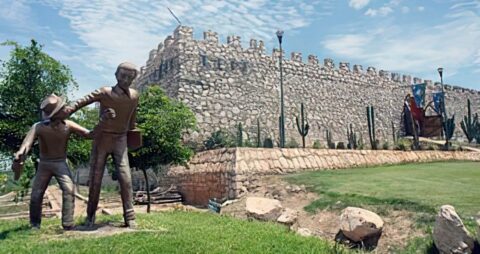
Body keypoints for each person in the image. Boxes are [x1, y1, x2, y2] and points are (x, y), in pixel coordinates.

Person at [63, 62, 140, 228]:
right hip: (102, 139)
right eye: (123, 76)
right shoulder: (105, 92)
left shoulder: (134, 96)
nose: (126, 80)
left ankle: (130, 216)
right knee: (96, 178)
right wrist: (68, 110)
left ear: (134, 79)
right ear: (116, 75)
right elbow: (83, 101)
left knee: (125, 177)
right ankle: (90, 216)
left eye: (130, 77)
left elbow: (132, 117)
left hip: (120, 140)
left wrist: (133, 132)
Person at [14, 94, 91, 230]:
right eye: (63, 108)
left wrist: (105, 121)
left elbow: (88, 134)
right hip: (44, 164)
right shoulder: (38, 127)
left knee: (69, 189)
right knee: (37, 193)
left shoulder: (69, 125)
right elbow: (27, 143)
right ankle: (34, 224)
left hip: (61, 163)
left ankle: (67, 223)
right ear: (56, 114)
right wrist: (21, 152)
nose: (66, 109)